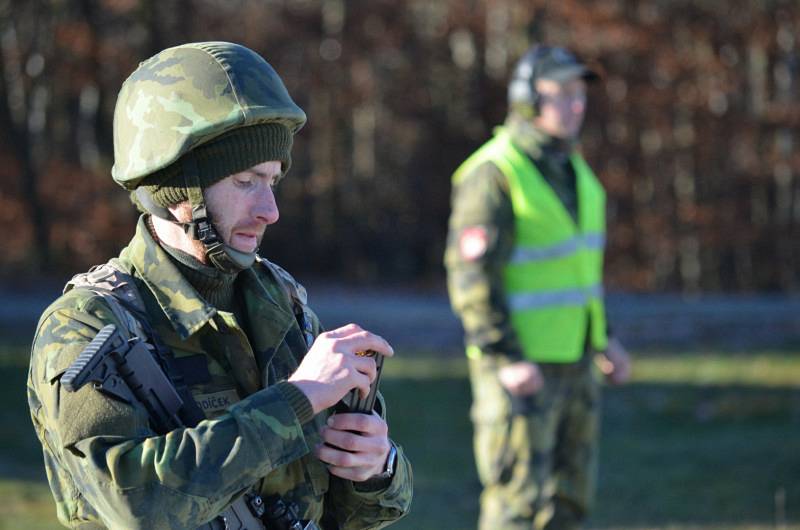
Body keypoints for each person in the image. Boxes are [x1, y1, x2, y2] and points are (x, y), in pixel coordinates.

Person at [27, 41, 412, 530]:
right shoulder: (88, 328)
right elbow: (134, 506)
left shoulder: (279, 302)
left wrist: (377, 470)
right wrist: (296, 401)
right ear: (175, 186)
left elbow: (349, 514)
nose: (270, 210)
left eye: (273, 180)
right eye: (246, 181)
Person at [444, 45, 631, 530]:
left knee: (571, 503)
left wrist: (603, 338)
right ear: (527, 97)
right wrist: (507, 357)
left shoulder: (573, 170)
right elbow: (471, 278)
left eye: (579, 94)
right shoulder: (495, 173)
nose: (576, 105)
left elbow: (578, 273)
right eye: (561, 93)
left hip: (576, 363)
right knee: (516, 505)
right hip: (521, 372)